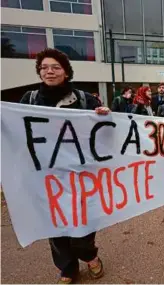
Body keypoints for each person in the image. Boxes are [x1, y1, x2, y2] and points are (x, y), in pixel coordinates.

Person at [19, 48, 109, 284]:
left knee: (83, 222)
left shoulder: (83, 99)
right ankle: (67, 268)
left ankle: (89, 255)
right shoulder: (28, 101)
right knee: (55, 226)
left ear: (66, 72)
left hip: (81, 177)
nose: (49, 71)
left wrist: (106, 117)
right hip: (46, 178)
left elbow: (106, 135)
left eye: (55, 67)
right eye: (44, 67)